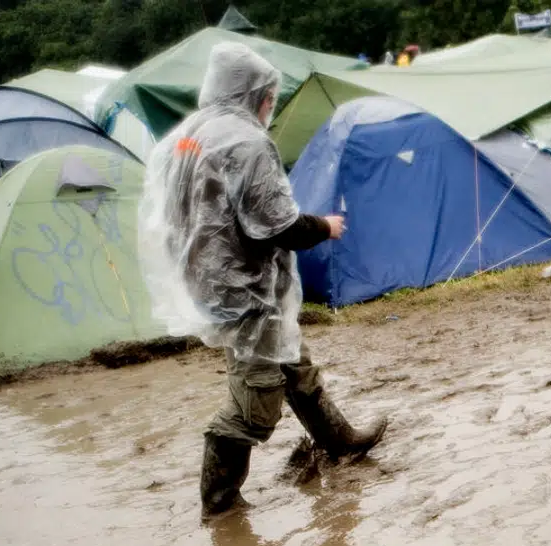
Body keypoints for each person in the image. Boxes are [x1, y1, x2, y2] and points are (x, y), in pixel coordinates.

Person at [140, 42, 387, 519]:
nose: (271, 106)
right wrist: (325, 226)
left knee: (291, 357)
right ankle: (220, 503)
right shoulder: (246, 141)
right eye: (270, 97)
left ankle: (339, 441)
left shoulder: (184, 138)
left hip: (210, 278)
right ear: (253, 93)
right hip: (241, 287)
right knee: (256, 398)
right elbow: (279, 225)